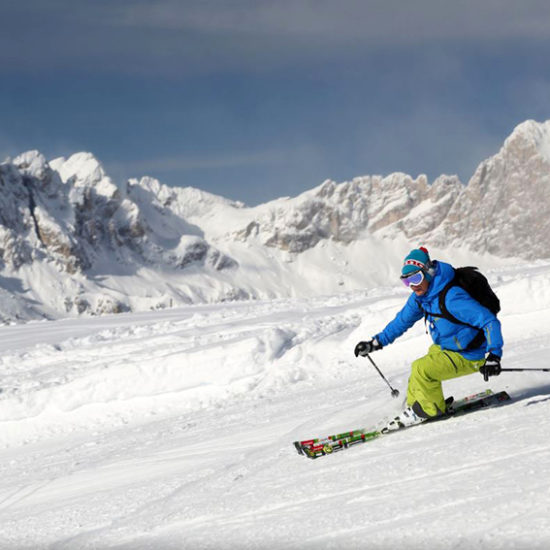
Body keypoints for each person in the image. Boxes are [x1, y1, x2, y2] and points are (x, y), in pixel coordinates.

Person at [354, 247, 503, 430]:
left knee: (423, 369)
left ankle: (428, 410)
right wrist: (375, 343)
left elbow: (489, 321)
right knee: (419, 367)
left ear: (429, 273)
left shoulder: (452, 298)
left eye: (416, 278)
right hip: (448, 347)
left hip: (470, 354)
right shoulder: (422, 297)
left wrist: (494, 356)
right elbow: (401, 322)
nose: (412, 285)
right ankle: (414, 404)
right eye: (406, 281)